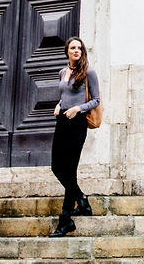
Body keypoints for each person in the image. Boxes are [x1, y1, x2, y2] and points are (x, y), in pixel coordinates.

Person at [50, 36, 100, 237]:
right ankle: (82, 200)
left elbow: (96, 100)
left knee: (69, 170)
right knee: (56, 167)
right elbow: (64, 95)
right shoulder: (63, 72)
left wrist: (78, 108)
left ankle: (65, 220)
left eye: (79, 48)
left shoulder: (89, 72)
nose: (76, 50)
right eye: (73, 47)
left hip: (77, 123)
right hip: (62, 121)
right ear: (67, 51)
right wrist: (59, 105)